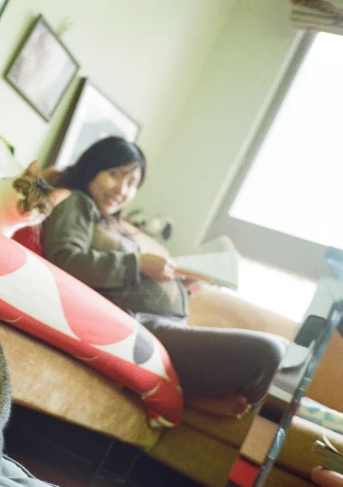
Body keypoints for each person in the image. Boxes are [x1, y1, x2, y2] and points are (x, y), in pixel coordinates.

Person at [43, 136, 285, 419]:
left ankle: (183, 392)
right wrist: (138, 264)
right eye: (114, 174)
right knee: (270, 351)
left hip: (166, 322)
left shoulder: (113, 223)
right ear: (92, 167)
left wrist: (180, 282)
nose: (122, 189)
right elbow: (64, 261)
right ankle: (191, 398)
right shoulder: (76, 202)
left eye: (132, 184)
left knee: (284, 349)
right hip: (137, 325)